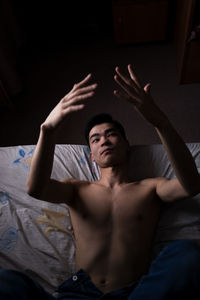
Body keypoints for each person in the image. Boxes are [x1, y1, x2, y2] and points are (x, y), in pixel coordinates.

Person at [0, 65, 200, 300]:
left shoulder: (150, 187)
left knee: (186, 254)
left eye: (111, 134)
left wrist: (161, 123)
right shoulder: (77, 188)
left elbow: (191, 185)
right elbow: (36, 188)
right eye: (95, 139)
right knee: (7, 283)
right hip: (79, 293)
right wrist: (48, 130)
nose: (104, 140)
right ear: (91, 155)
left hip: (134, 293)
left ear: (127, 145)